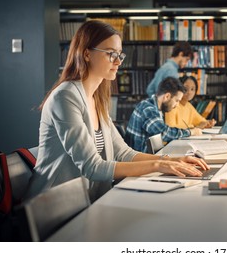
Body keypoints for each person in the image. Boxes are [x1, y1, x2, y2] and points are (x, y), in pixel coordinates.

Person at [25, 20, 209, 202]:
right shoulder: (65, 97)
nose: (118, 62)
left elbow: (123, 153)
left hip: (85, 200)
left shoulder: (97, 98)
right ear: (87, 54)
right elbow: (92, 166)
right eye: (111, 54)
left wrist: (172, 160)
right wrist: (158, 165)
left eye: (120, 55)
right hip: (51, 207)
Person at [125, 76, 203, 153]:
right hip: (140, 161)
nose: (177, 105)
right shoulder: (148, 109)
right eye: (176, 100)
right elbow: (164, 133)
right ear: (167, 96)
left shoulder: (156, 108)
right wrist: (190, 132)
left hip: (149, 157)